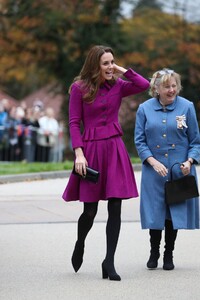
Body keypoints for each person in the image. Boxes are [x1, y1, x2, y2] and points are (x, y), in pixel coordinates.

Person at [62, 45, 149, 281]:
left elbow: (144, 85)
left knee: (115, 206)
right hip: (90, 151)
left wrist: (122, 70)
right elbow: (73, 122)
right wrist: (79, 154)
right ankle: (80, 243)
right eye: (106, 63)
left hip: (114, 149)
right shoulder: (79, 89)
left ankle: (109, 261)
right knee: (89, 210)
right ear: (94, 65)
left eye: (112, 62)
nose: (110, 66)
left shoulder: (119, 86)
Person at [134, 68, 200, 271]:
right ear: (156, 88)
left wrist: (189, 161)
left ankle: (168, 253)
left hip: (180, 171)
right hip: (154, 172)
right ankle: (154, 252)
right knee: (156, 213)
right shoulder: (144, 109)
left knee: (174, 213)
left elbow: (195, 141)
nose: (172, 90)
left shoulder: (186, 107)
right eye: (167, 86)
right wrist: (152, 161)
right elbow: (140, 140)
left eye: (174, 86)